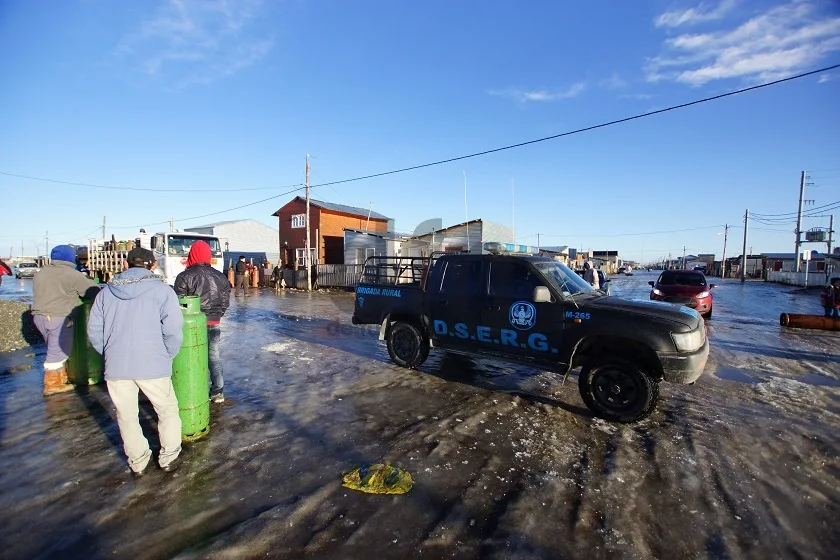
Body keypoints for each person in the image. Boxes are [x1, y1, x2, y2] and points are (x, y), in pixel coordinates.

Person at [87, 248, 185, 476]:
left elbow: (94, 331)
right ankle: (168, 455)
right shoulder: (162, 291)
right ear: (152, 266)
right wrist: (166, 355)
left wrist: (110, 353)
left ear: (125, 265)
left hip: (116, 365)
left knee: (126, 415)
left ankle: (138, 460)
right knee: (167, 410)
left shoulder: (105, 293)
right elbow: (173, 331)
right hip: (153, 363)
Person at [32, 245, 99, 395]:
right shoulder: (71, 274)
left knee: (52, 347)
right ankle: (52, 384)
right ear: (70, 257)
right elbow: (92, 291)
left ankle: (61, 377)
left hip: (39, 316)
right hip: (58, 316)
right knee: (58, 350)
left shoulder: (41, 272)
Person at [174, 241, 231, 404]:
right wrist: (217, 315)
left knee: (191, 357)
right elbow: (226, 301)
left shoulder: (184, 276)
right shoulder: (220, 276)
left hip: (190, 326)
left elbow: (179, 303)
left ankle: (195, 391)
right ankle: (218, 391)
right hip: (214, 322)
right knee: (213, 356)